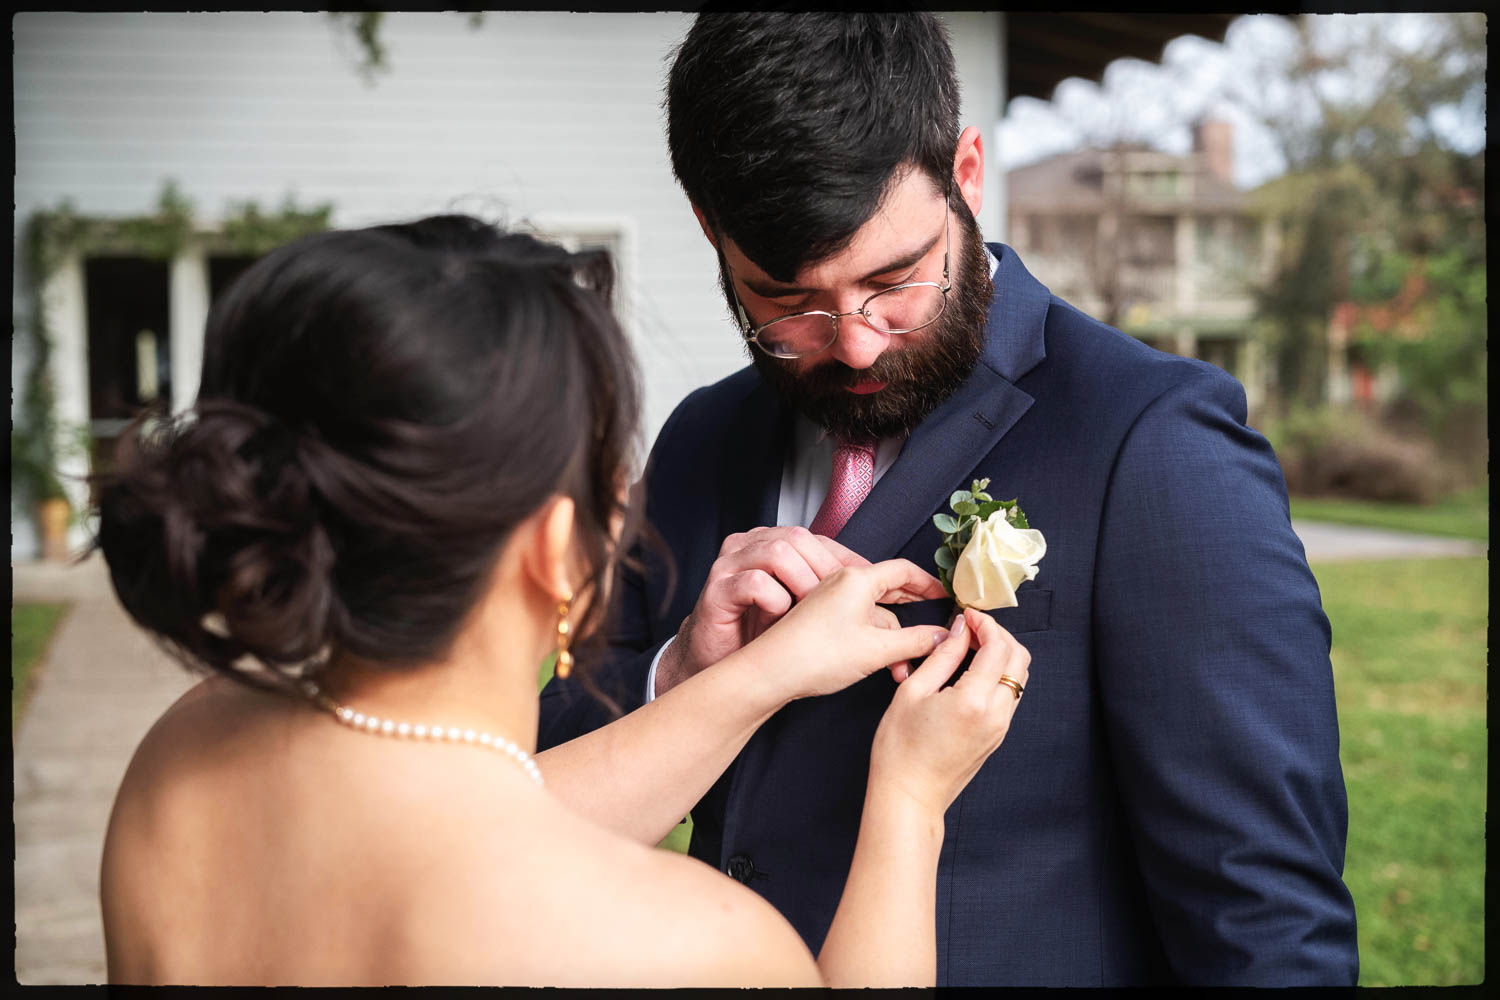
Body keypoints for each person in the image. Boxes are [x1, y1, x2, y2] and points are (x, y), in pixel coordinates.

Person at [538, 12, 1359, 987]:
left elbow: (1262, 914)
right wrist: (679, 674)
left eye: (893, 279)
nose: (854, 342)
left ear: (967, 174)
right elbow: (526, 792)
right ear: (710, 230)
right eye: (786, 301)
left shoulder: (1154, 442)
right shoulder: (703, 439)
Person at [93, 215, 1036, 987]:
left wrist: (758, 674)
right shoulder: (686, 945)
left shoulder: (184, 753)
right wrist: (910, 803)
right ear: (555, 549)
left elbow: (479, 822)